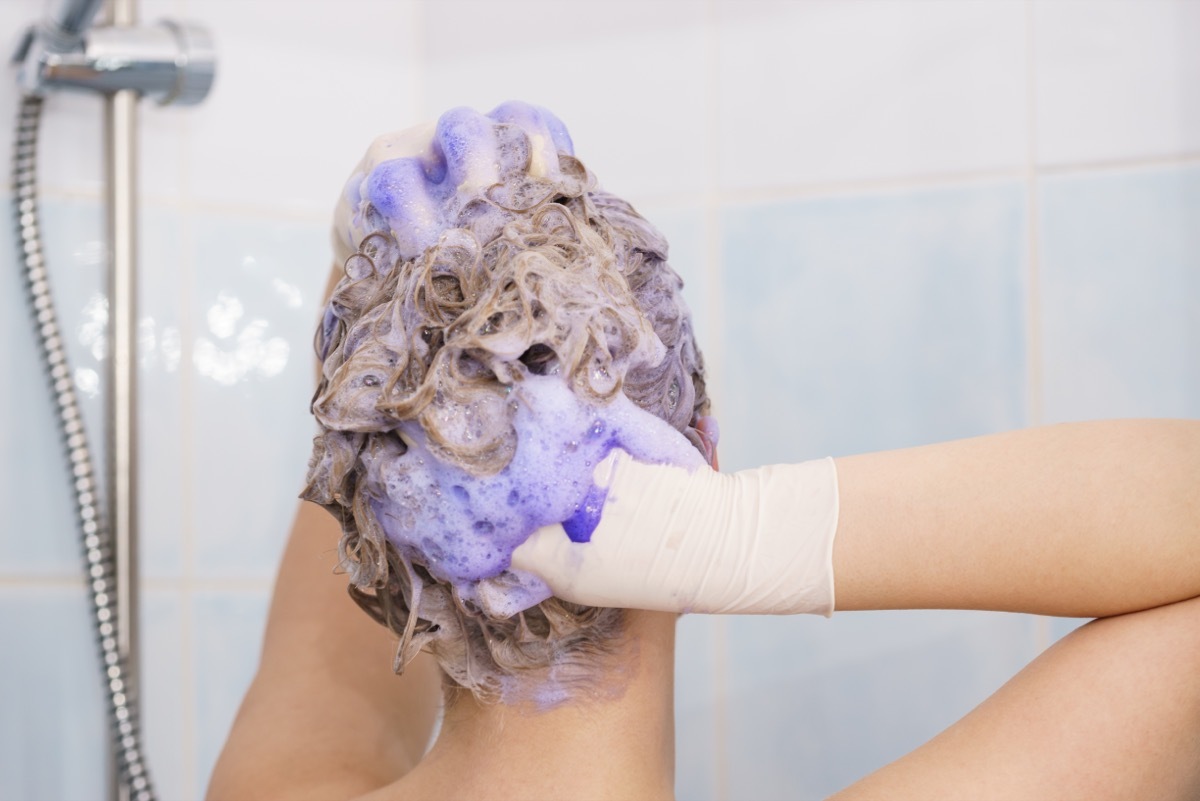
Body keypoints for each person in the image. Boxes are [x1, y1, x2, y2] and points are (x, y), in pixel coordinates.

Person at [207, 103, 1200, 801]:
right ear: (703, 454)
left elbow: (367, 436)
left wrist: (377, 276)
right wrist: (735, 539)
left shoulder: (280, 785)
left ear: (378, 508)